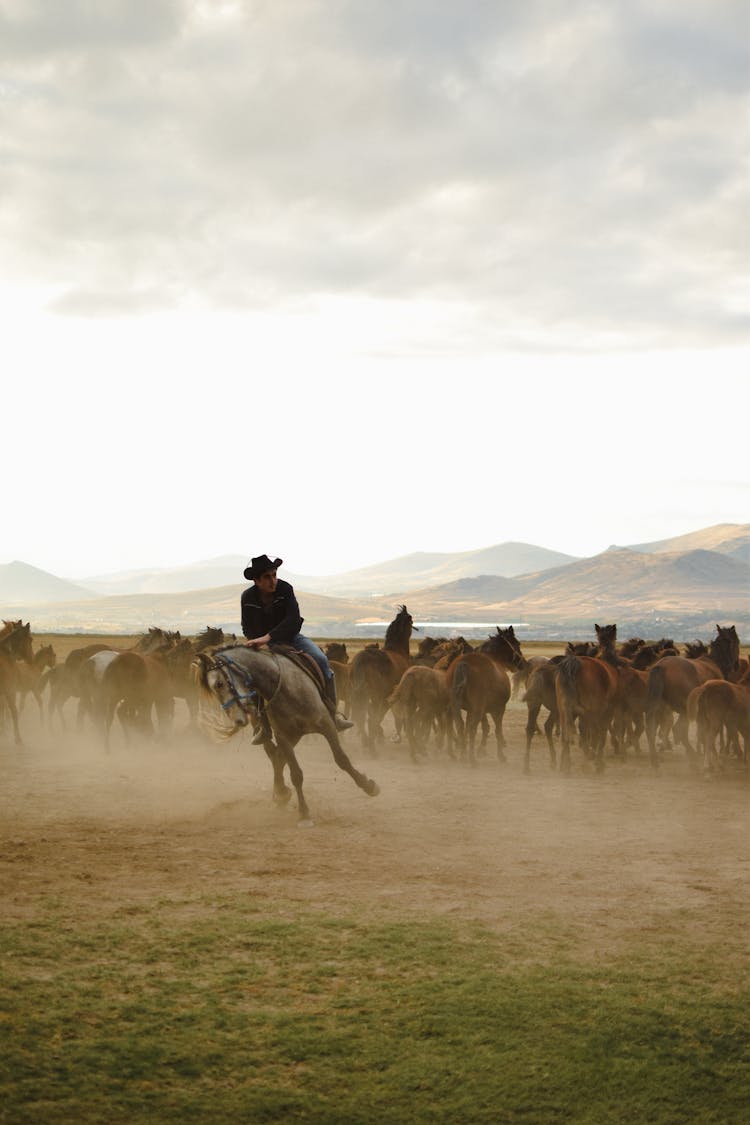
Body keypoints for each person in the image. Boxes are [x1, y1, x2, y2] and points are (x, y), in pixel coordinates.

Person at [240, 554, 354, 744]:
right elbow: (246, 626)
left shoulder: (285, 589)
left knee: (321, 660)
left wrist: (269, 638)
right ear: (257, 580)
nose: (273, 580)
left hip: (292, 638)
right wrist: (255, 641)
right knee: (249, 676)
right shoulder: (248, 597)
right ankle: (263, 725)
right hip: (262, 643)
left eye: (274, 575)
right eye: (267, 577)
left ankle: (333, 715)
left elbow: (292, 619)